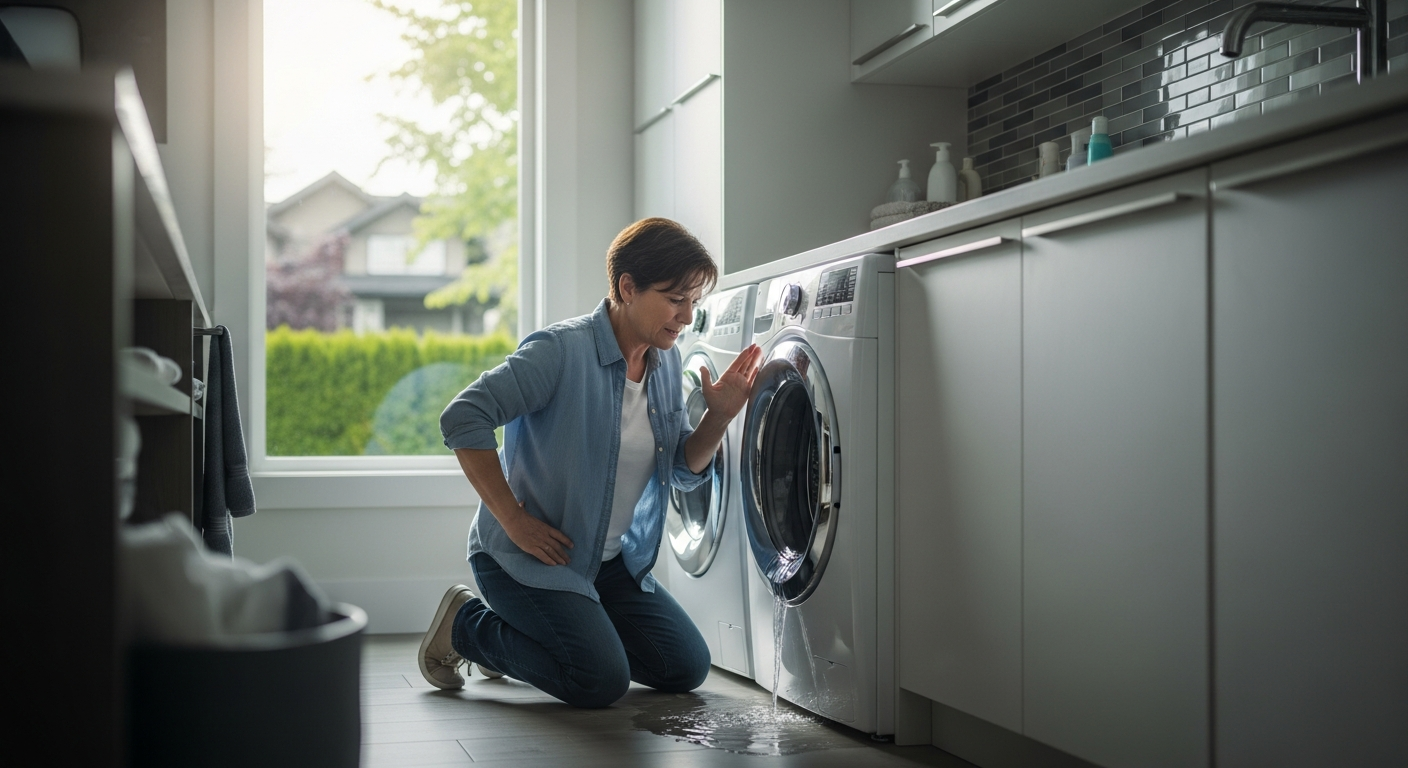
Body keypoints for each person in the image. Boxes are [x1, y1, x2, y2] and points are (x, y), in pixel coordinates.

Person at [418, 218, 763, 708]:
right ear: (627, 287)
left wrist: (720, 416)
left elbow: (682, 471)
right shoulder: (559, 351)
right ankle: (466, 627)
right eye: (674, 299)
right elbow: (463, 418)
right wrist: (514, 522)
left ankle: (556, 637)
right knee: (599, 681)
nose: (686, 316)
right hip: (527, 558)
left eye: (694, 302)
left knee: (685, 666)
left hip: (607, 565)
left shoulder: (665, 364)